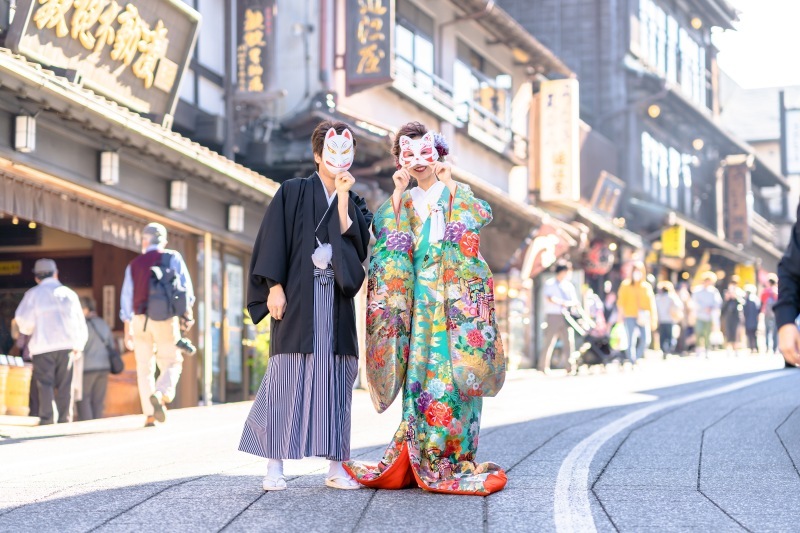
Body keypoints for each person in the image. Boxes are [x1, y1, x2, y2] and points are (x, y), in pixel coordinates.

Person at [343, 122, 507, 495]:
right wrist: (399, 192)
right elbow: (384, 235)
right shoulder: (401, 201)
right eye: (408, 155)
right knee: (420, 374)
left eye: (425, 153)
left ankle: (453, 454)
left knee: (455, 376)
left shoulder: (456, 192)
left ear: (439, 154)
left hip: (454, 304)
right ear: (399, 160)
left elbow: (480, 214)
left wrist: (450, 183)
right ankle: (419, 451)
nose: (418, 162)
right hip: (418, 300)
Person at [238, 120, 372, 491]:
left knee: (336, 382)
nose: (339, 161)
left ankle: (335, 466)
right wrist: (274, 287)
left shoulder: (355, 201)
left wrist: (344, 196)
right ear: (317, 155)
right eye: (332, 153)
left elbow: (357, 245)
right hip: (298, 297)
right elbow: (273, 239)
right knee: (287, 378)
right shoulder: (292, 191)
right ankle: (274, 466)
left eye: (348, 154)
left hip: (336, 302)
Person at [120, 223, 195, 427]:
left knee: (144, 368)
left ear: (145, 241)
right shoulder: (172, 258)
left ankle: (150, 415)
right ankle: (161, 393)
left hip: (139, 320)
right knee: (171, 361)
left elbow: (126, 300)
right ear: (163, 241)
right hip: (165, 318)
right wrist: (186, 315)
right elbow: (186, 290)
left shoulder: (134, 264)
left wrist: (128, 331)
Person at [13, 259, 88, 425]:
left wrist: (29, 329)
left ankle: (47, 419)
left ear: (36, 277)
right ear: (56, 273)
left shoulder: (32, 294)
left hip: (42, 346)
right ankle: (64, 420)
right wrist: (79, 344)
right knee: (65, 385)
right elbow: (79, 322)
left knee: (45, 384)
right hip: (66, 345)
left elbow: (24, 322)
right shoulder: (69, 294)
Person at [538, 261, 580, 373]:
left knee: (569, 341)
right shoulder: (550, 284)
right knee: (549, 341)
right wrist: (562, 303)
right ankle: (543, 366)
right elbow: (549, 298)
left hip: (567, 316)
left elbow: (574, 301)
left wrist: (570, 305)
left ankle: (570, 367)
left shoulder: (568, 285)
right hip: (553, 315)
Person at [76, 296, 113, 420]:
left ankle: (86, 424)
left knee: (84, 397)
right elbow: (111, 344)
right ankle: (97, 424)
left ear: (86, 309)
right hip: (104, 365)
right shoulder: (103, 323)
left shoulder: (84, 325)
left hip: (88, 366)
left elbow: (80, 345)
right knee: (98, 400)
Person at [616, 262, 657, 363]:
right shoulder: (625, 285)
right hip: (629, 315)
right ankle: (632, 360)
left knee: (646, 339)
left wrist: (653, 319)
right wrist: (620, 317)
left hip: (643, 316)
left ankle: (636, 358)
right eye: (635, 271)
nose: (637, 273)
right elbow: (621, 302)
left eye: (639, 271)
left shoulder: (646, 287)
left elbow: (651, 304)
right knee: (631, 340)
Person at [692, 272, 723, 357]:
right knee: (699, 332)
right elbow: (694, 302)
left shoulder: (714, 291)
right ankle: (698, 348)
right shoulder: (697, 290)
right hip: (700, 315)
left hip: (709, 316)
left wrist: (711, 308)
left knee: (707, 333)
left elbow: (718, 302)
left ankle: (706, 349)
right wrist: (703, 308)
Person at [655, 281, 683, 358]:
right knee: (671, 337)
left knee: (662, 337)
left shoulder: (657, 298)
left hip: (661, 320)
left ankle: (664, 350)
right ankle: (668, 350)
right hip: (670, 320)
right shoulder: (672, 297)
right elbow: (679, 306)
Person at [721, 284, 743, 355]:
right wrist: (726, 300)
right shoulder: (727, 301)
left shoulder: (738, 299)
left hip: (736, 319)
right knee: (728, 334)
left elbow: (741, 306)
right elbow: (722, 310)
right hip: (728, 319)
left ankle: (736, 349)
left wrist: (736, 297)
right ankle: (728, 349)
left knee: (736, 334)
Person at [761, 275, 778, 354]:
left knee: (767, 330)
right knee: (775, 330)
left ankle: (767, 347)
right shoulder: (777, 291)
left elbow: (762, 302)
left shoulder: (765, 291)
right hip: (775, 312)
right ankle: (775, 348)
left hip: (767, 312)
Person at [742, 285, 760, 354]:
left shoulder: (747, 301)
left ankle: (752, 348)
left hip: (749, 321)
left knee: (750, 335)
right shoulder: (755, 300)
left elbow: (745, 312)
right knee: (754, 335)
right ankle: (755, 347)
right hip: (754, 320)